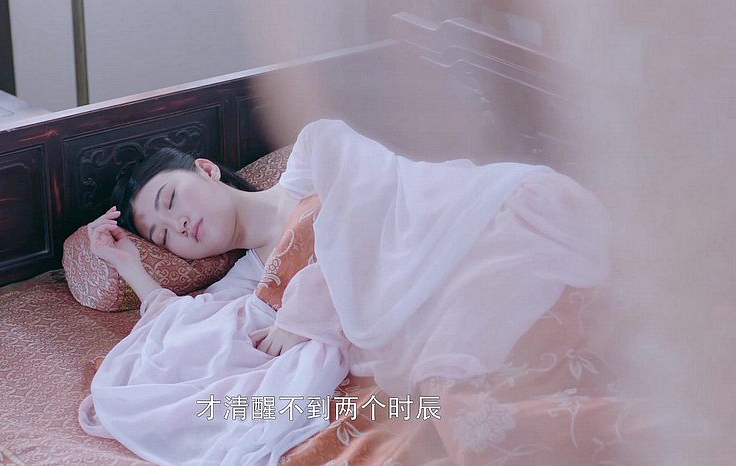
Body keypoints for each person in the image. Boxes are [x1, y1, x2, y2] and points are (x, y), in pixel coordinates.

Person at [79, 119, 612, 466]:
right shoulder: (248, 285)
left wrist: (308, 308)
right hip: (429, 318)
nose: (178, 225)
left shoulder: (311, 157)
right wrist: (130, 267)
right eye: (163, 236)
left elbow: (378, 194)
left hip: (477, 232)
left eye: (171, 200)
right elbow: (183, 337)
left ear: (205, 170)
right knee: (457, 405)